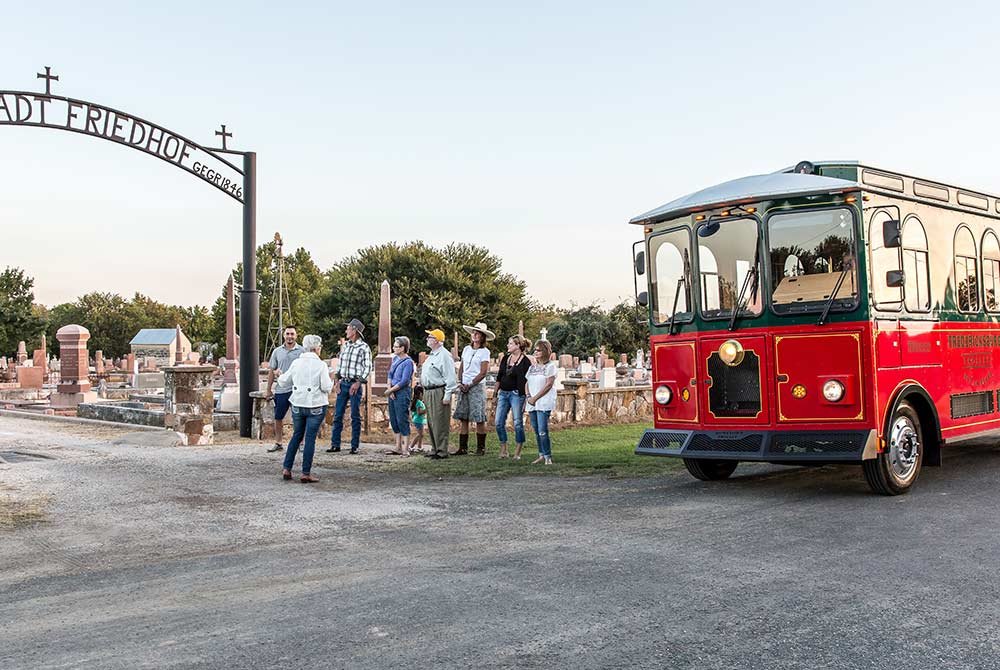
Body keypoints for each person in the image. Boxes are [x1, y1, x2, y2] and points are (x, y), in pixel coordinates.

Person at [275, 334, 334, 483]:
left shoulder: (296, 363)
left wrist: (279, 375)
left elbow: (283, 382)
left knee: (296, 435)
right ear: (316, 348)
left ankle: (287, 468)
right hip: (315, 404)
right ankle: (305, 472)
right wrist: (332, 380)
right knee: (309, 439)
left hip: (298, 403)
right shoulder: (321, 365)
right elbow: (326, 387)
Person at [327, 318, 372, 455]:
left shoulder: (364, 347)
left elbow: (367, 367)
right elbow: (341, 365)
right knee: (338, 414)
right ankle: (335, 444)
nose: (346, 331)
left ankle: (354, 445)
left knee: (355, 415)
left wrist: (358, 382)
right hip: (343, 383)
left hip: (354, 384)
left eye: (348, 328)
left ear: (354, 331)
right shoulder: (345, 346)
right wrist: (337, 381)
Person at [452, 322, 494, 455]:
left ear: (482, 337)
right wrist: (460, 381)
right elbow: (462, 367)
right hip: (464, 384)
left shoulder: (484, 352)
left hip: (476, 386)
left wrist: (470, 384)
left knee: (479, 417)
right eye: (473, 333)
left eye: (478, 333)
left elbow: (483, 372)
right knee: (463, 416)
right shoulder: (466, 349)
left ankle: (480, 447)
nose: (475, 335)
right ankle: (462, 447)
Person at [265, 326, 305, 453]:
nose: (290, 336)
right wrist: (268, 389)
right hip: (281, 389)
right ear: (284, 335)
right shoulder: (277, 351)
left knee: (298, 417)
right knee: (278, 417)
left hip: (296, 389)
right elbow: (271, 371)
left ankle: (301, 442)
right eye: (287, 334)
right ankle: (278, 442)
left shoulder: (302, 351)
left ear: (296, 336)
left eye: (292, 334)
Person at [420, 328, 457, 459]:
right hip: (429, 390)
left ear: (436, 340)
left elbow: (450, 376)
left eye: (429, 337)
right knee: (431, 421)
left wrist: (447, 395)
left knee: (440, 421)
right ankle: (434, 448)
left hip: (438, 390)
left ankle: (441, 450)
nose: (427, 339)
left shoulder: (444, 355)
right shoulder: (432, 354)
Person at [495, 335, 531, 460]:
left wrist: (526, 398)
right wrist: (495, 393)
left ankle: (518, 450)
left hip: (517, 394)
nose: (508, 346)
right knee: (498, 422)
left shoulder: (525, 362)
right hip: (503, 393)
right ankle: (504, 448)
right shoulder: (505, 358)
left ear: (518, 346)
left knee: (517, 423)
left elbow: (527, 381)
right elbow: (499, 377)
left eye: (510, 343)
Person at [526, 339, 557, 465]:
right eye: (535, 350)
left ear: (544, 351)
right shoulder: (532, 367)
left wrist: (535, 398)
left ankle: (547, 456)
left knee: (542, 430)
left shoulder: (550, 367)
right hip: (531, 402)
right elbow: (527, 382)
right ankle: (541, 454)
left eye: (538, 350)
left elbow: (548, 384)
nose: (536, 352)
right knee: (536, 429)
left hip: (543, 402)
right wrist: (528, 396)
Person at [386, 336, 414, 456]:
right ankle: (397, 446)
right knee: (394, 419)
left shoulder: (408, 362)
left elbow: (404, 380)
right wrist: (389, 390)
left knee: (402, 418)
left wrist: (392, 389)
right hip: (392, 392)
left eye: (396, 346)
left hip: (402, 392)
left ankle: (405, 448)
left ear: (403, 348)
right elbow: (390, 375)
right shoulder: (395, 359)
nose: (394, 348)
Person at [408, 385, 427, 453]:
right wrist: (427, 409)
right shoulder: (419, 402)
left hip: (419, 420)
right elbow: (419, 412)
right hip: (418, 420)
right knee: (420, 434)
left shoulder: (418, 401)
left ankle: (419, 447)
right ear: (420, 394)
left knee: (421, 434)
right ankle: (411, 446)